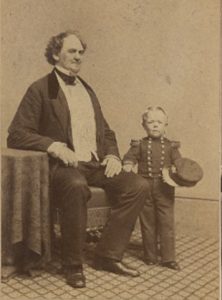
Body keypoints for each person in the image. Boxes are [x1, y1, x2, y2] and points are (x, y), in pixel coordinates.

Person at [7, 30, 150, 288]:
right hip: (62, 167)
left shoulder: (87, 89)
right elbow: (16, 134)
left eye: (81, 52)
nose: (78, 57)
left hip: (94, 164)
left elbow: (105, 131)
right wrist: (52, 146)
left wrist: (112, 155)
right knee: (75, 186)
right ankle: (72, 265)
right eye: (72, 51)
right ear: (55, 54)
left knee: (138, 185)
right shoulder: (40, 88)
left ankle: (107, 255)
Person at [123, 106, 182, 270]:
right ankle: (150, 255)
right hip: (145, 187)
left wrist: (179, 169)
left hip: (165, 188)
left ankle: (168, 257)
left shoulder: (171, 146)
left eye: (159, 122)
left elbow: (179, 162)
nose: (155, 125)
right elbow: (129, 157)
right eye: (151, 122)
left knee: (166, 222)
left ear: (166, 124)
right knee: (147, 221)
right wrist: (128, 164)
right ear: (143, 125)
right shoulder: (139, 144)